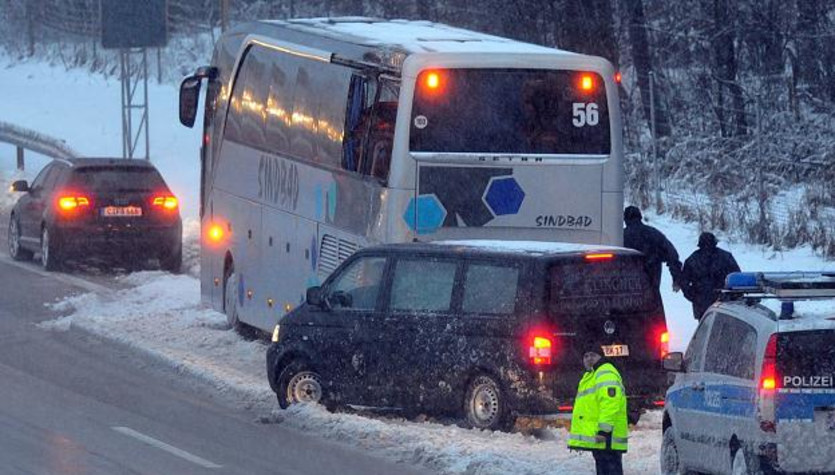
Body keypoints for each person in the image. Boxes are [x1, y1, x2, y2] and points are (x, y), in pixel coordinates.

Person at [567, 349, 628, 475]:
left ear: (601, 357)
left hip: (607, 437)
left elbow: (610, 404)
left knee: (609, 468)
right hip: (602, 439)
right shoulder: (592, 375)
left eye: (593, 355)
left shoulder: (605, 373)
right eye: (586, 356)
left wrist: (604, 430)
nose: (589, 359)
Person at [681, 232, 741, 320]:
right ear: (715, 243)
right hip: (724, 302)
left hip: (702, 305)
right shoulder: (726, 256)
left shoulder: (691, 260)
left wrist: (694, 297)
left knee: (706, 330)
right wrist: (733, 296)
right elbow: (737, 278)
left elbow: (684, 283)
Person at [623, 206, 683, 291]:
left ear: (625, 219)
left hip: (626, 291)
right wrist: (676, 278)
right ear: (640, 217)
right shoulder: (653, 234)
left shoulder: (621, 237)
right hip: (651, 288)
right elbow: (672, 255)